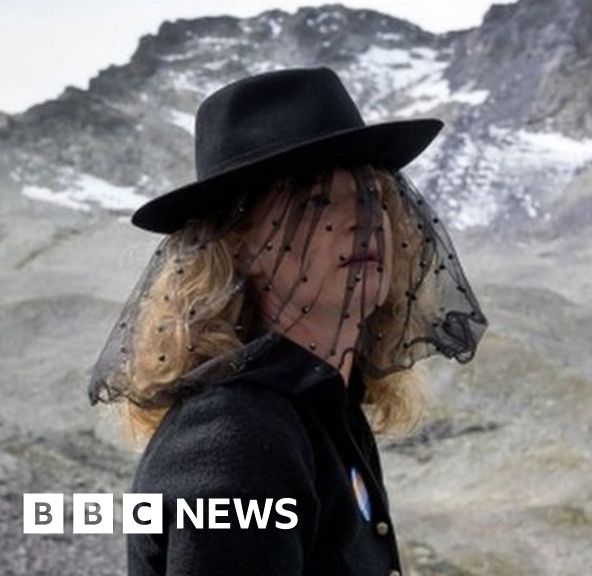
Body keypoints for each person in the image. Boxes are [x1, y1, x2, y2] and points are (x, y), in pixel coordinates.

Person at [87, 67, 489, 575]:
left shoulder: (318, 411)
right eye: (316, 202)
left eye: (371, 199)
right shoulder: (234, 444)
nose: (360, 221)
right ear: (239, 244)